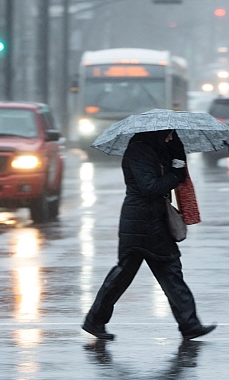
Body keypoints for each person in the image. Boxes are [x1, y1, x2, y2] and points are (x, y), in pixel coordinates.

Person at [82, 129, 216, 340]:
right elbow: (149, 186)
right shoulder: (139, 151)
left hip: (152, 220)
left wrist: (177, 154)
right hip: (140, 222)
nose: (172, 136)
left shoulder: (157, 147)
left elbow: (171, 172)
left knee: (153, 272)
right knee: (162, 270)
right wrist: (175, 175)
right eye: (170, 133)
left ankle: (95, 320)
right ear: (158, 131)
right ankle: (189, 324)